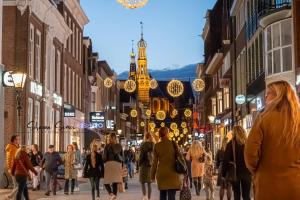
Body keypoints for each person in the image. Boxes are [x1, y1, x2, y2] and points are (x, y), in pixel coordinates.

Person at [245, 80, 300, 200]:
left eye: (268, 93)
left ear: (278, 96)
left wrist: (260, 171)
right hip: (296, 186)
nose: (265, 97)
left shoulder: (263, 119)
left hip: (268, 186)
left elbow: (250, 155)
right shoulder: (297, 120)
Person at [151, 127, 182, 200]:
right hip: (173, 173)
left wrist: (152, 176)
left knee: (162, 195)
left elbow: (154, 162)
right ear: (167, 134)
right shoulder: (173, 144)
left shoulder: (157, 146)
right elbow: (180, 158)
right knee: (172, 196)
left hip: (162, 174)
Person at [222, 126, 251, 200]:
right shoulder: (248, 143)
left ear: (234, 133)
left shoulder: (230, 144)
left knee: (236, 194)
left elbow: (225, 160)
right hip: (247, 172)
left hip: (235, 172)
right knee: (246, 195)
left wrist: (223, 173)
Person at [103, 133, 123, 200]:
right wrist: (122, 167)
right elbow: (122, 158)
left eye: (109, 138)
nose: (108, 139)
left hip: (109, 165)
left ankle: (111, 194)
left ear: (112, 138)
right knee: (115, 182)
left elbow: (104, 158)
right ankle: (114, 196)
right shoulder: (119, 146)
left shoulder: (107, 146)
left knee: (106, 182)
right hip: (117, 165)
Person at [139, 132, 155, 200]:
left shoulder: (143, 144)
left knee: (142, 181)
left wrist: (139, 163)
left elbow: (141, 156)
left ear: (145, 137)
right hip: (151, 165)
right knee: (149, 183)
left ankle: (144, 196)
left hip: (144, 165)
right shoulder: (154, 144)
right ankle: (149, 198)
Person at [5, 135, 20, 199]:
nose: (18, 140)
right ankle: (10, 196)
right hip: (13, 169)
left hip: (17, 168)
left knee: (16, 185)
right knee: (20, 185)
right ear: (13, 140)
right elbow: (9, 159)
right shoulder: (11, 147)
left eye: (19, 139)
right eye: (17, 139)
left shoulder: (16, 147)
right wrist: (9, 168)